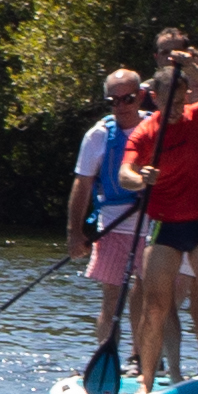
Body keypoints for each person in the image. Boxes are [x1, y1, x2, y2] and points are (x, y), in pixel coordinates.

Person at [117, 32, 198, 389]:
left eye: (182, 101)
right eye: (171, 102)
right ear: (155, 98)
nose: (177, 110)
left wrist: (193, 67)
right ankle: (147, 384)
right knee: (156, 307)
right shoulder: (144, 132)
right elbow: (125, 174)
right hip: (165, 227)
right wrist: (141, 179)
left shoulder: (196, 117)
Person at [66, 66, 149, 311]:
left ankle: (140, 350)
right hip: (113, 226)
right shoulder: (98, 136)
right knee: (111, 299)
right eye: (113, 101)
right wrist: (75, 233)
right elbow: (82, 184)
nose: (121, 106)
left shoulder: (157, 128)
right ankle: (106, 347)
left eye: (128, 99)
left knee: (146, 297)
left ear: (140, 97)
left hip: (152, 228)